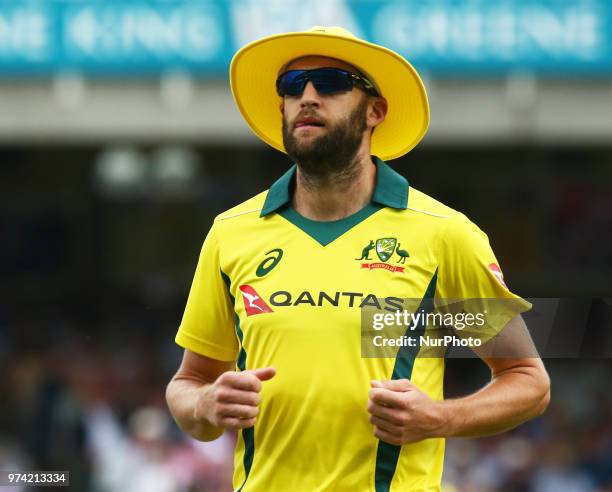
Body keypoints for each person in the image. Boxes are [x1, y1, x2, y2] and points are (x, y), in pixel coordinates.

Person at [166, 26, 550, 492]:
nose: (307, 97)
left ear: (375, 110)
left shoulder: (442, 234)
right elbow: (188, 383)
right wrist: (206, 405)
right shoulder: (232, 233)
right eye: (292, 86)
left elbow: (527, 381)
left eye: (330, 83)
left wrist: (441, 417)